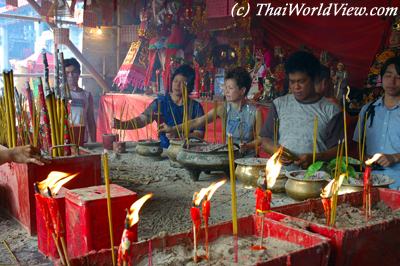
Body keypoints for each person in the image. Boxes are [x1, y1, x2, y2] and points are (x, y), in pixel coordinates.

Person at [260, 51, 343, 170]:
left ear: (314, 79)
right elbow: (265, 140)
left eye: (301, 81)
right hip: (281, 176)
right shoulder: (279, 104)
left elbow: (338, 150)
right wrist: (278, 152)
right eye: (292, 82)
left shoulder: (331, 110)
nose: (296, 87)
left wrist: (315, 157)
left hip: (316, 177)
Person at [159, 66, 262, 156]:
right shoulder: (223, 109)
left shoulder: (255, 112)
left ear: (242, 90)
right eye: (225, 87)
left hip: (248, 158)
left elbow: (260, 139)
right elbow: (198, 121)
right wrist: (174, 129)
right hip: (228, 156)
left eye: (230, 88)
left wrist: (247, 146)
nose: (226, 91)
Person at [114, 64, 205, 148]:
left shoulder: (195, 107)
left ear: (189, 86)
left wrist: (179, 135)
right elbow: (142, 120)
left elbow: (199, 134)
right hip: (163, 150)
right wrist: (122, 124)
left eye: (182, 83)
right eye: (175, 81)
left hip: (187, 150)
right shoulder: (160, 103)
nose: (177, 85)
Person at [353, 56, 400, 189]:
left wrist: (395, 157)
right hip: (370, 181)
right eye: (388, 75)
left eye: (398, 77)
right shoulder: (368, 109)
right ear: (381, 78)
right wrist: (363, 159)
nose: (392, 81)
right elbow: (359, 143)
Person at [64, 58, 97, 143]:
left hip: (82, 140)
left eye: (73, 72)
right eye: (67, 73)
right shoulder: (59, 95)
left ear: (78, 73)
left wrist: (94, 143)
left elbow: (91, 121)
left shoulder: (86, 95)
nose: (70, 76)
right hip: (63, 141)